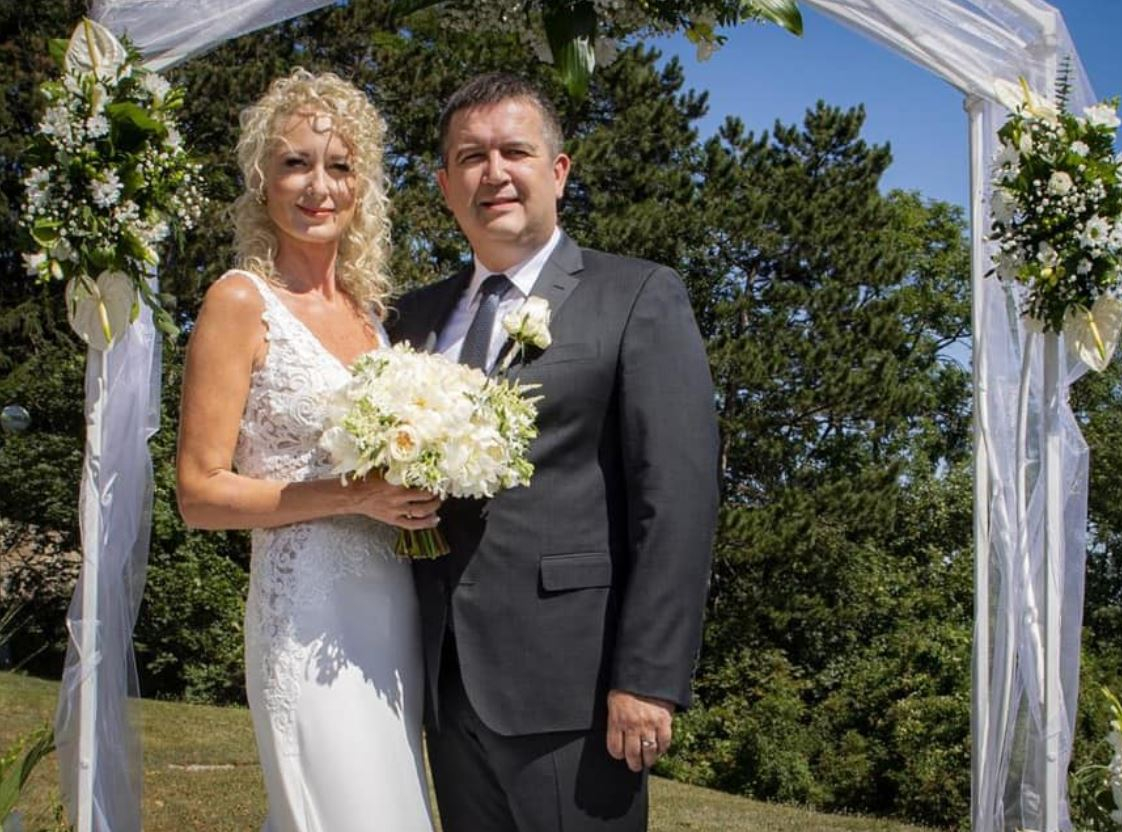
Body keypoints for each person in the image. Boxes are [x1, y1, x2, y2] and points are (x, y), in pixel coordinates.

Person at [390, 72, 720, 831]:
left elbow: (676, 501)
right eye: (470, 157)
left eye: (515, 151)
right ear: (445, 185)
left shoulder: (636, 295)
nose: (494, 173)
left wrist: (648, 677)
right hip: (443, 684)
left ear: (559, 171)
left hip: (577, 688)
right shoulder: (412, 317)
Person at [175, 69, 438, 832]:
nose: (319, 186)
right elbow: (198, 494)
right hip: (306, 611)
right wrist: (356, 496)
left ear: (363, 187)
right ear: (263, 182)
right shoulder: (239, 301)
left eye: (339, 166)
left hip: (390, 605)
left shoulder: (371, 318)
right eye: (296, 163)